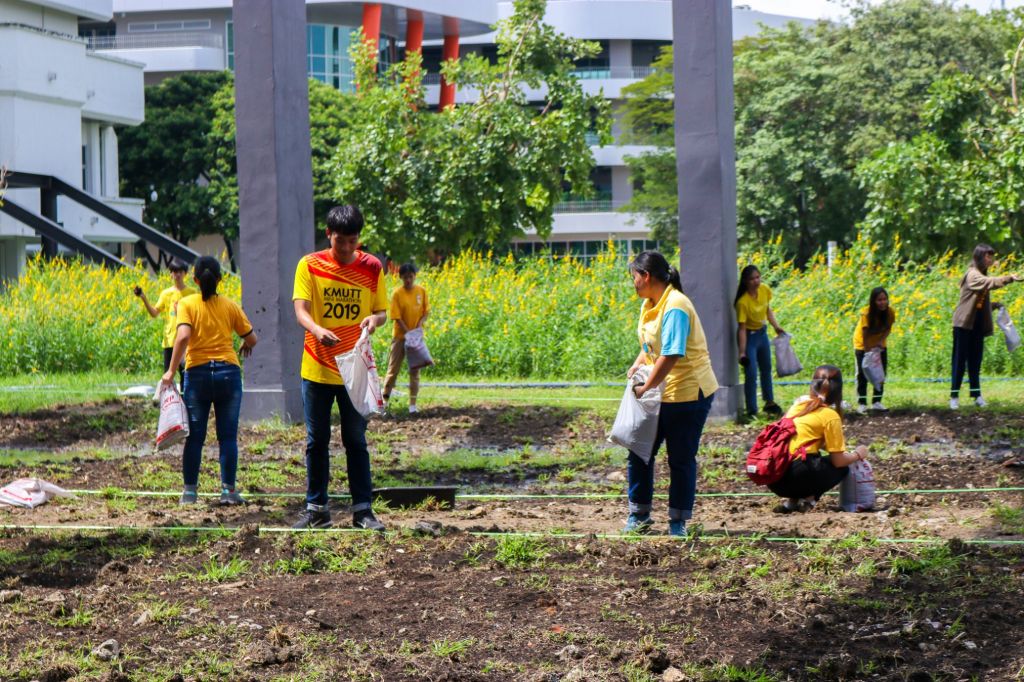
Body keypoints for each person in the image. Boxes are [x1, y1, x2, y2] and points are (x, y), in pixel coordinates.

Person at [292, 205, 388, 531]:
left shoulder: (372, 267)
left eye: (352, 241)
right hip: (318, 366)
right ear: (328, 235)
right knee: (316, 440)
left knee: (356, 440)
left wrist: (373, 321)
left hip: (354, 369)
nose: (346, 248)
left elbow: (381, 313)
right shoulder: (310, 265)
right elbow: (301, 311)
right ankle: (317, 509)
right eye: (339, 241)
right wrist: (317, 330)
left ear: (358, 238)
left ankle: (363, 511)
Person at [624, 251, 719, 537]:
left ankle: (677, 522)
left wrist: (645, 386)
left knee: (680, 458)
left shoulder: (676, 305)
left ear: (646, 276)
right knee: (639, 452)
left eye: (634, 277)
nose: (633, 283)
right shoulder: (650, 302)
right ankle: (638, 515)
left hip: (688, 393)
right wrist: (637, 364)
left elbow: (672, 353)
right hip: (659, 392)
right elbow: (651, 345)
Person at [158, 257, 257, 506]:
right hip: (228, 374)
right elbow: (252, 338)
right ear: (220, 279)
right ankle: (228, 491)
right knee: (228, 437)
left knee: (195, 437)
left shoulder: (187, 303)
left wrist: (170, 371)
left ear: (195, 280)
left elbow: (182, 338)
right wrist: (245, 343)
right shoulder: (230, 306)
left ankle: (190, 493)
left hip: (198, 375)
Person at [770, 365, 868, 513]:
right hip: (797, 477)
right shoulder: (829, 415)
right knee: (841, 467)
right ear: (838, 391)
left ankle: (791, 503)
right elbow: (838, 461)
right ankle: (810, 500)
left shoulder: (798, 406)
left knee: (807, 459)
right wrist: (858, 454)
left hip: (774, 478)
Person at [950, 244, 1023, 409]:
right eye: (988, 256)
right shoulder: (973, 274)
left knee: (976, 361)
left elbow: (977, 302)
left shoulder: (982, 273)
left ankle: (976, 395)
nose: (991, 259)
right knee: (959, 361)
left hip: (976, 325)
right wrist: (1009, 278)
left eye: (992, 256)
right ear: (979, 257)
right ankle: (954, 397)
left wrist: (994, 305)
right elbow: (988, 283)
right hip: (963, 324)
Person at [133, 258, 195, 389]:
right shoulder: (166, 294)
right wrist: (143, 298)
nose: (177, 275)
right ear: (170, 274)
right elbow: (154, 313)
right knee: (168, 378)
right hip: (170, 341)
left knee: (186, 377)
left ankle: (186, 406)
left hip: (186, 342)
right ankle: (169, 407)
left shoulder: (192, 294)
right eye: (174, 271)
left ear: (185, 273)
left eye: (180, 272)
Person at [735, 265, 785, 418]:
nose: (756, 281)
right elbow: (742, 328)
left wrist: (776, 327)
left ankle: (769, 403)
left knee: (766, 369)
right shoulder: (742, 302)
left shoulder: (764, 290)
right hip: (749, 337)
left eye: (758, 277)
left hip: (762, 335)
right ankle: (751, 410)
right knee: (751, 373)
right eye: (752, 279)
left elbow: (768, 310)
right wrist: (742, 351)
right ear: (745, 281)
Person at [382, 263, 430, 413]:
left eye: (411, 276)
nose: (408, 280)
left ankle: (412, 406)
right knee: (392, 370)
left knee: (415, 371)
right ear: (401, 278)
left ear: (414, 276)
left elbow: (426, 312)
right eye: (405, 277)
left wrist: (418, 326)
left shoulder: (421, 291)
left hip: (415, 338)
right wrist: (408, 332)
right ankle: (384, 402)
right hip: (400, 337)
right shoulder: (397, 294)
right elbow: (396, 317)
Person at [853, 287, 895, 413]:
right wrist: (867, 353)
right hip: (862, 345)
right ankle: (862, 403)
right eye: (879, 300)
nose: (882, 302)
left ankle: (877, 401)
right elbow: (865, 334)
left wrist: (880, 342)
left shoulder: (890, 312)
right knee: (862, 374)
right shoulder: (866, 314)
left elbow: (888, 329)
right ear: (873, 301)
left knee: (880, 374)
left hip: (879, 346)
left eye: (884, 299)